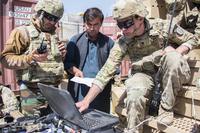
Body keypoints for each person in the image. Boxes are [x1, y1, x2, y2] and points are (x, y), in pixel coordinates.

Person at [76, 0, 198, 132]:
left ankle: (166, 107)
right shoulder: (124, 41)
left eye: (126, 23)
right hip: (142, 74)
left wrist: (177, 51)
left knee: (174, 58)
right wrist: (86, 101)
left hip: (167, 72)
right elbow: (106, 71)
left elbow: (193, 39)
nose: (123, 29)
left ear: (139, 18)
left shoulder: (163, 27)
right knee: (133, 98)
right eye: (119, 24)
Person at [0, 0, 66, 116]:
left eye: (55, 19)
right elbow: (5, 59)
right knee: (32, 126)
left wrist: (62, 54)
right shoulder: (22, 32)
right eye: (49, 17)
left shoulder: (54, 35)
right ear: (39, 13)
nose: (52, 22)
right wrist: (30, 58)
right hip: (31, 93)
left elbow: (55, 63)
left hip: (54, 91)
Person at [64, 7, 114, 113]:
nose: (92, 28)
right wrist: (75, 71)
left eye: (95, 25)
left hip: (100, 93)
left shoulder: (108, 43)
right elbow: (67, 63)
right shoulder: (75, 41)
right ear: (84, 24)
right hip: (79, 91)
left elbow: (114, 68)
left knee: (99, 121)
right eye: (89, 24)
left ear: (101, 24)